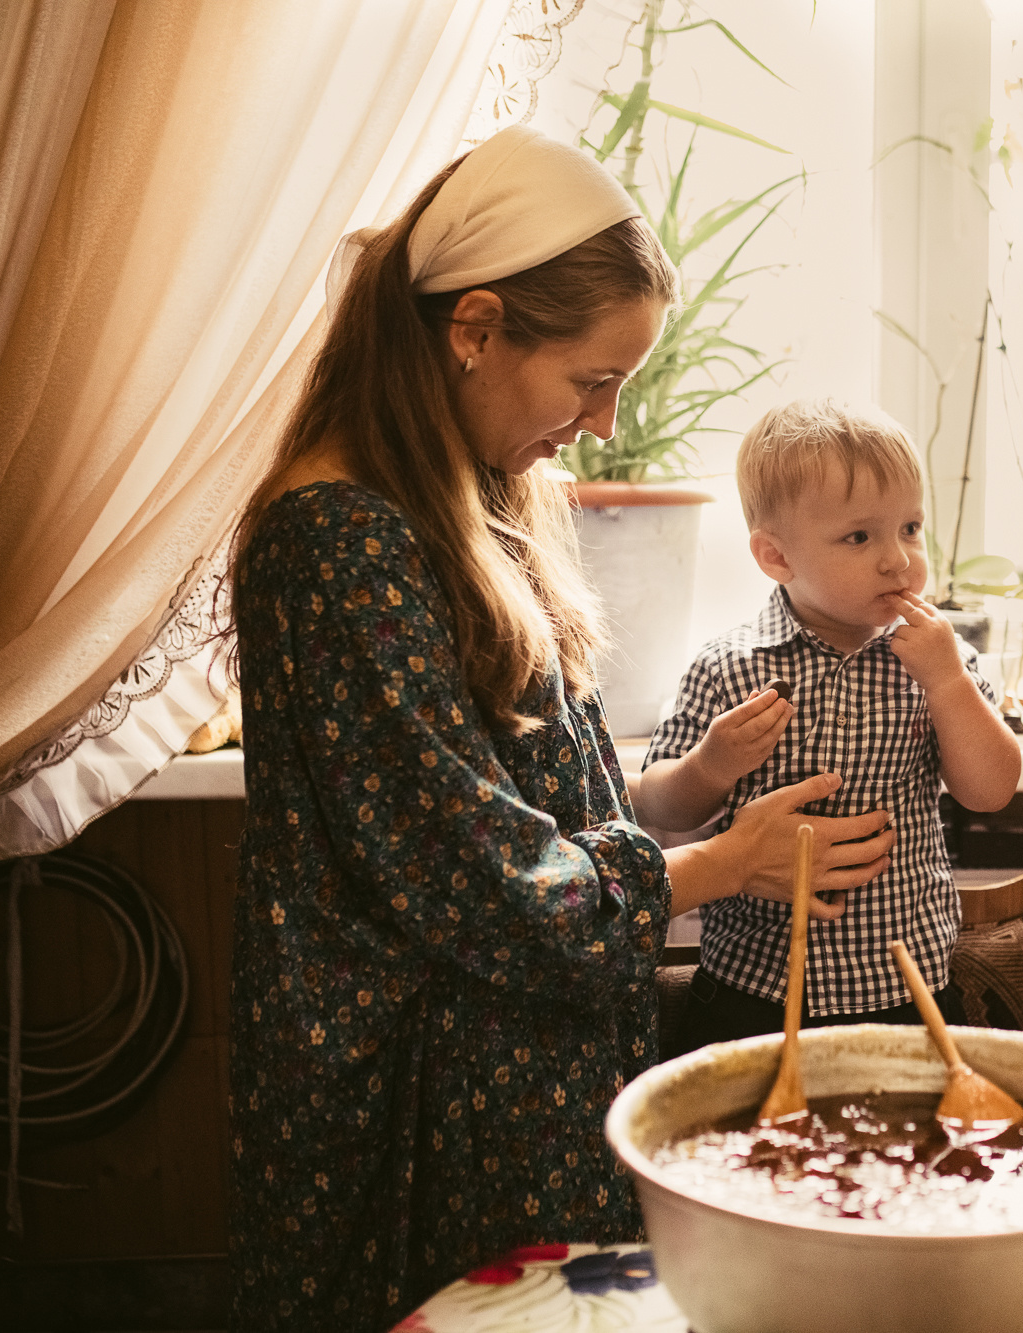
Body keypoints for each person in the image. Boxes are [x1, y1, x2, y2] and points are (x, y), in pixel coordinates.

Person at [224, 129, 896, 1332]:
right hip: (421, 1106)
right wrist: (729, 862)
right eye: (591, 379)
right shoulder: (338, 543)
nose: (602, 422)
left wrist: (696, 800)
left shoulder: (469, 498)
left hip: (513, 1083)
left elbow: (542, 811)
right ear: (473, 329)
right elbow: (485, 882)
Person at [638, 398, 1023, 1051]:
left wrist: (950, 683)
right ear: (775, 556)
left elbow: (991, 791)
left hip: (908, 990)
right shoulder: (730, 667)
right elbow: (658, 807)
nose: (898, 560)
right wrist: (710, 765)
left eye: (910, 527)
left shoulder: (938, 660)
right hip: (751, 993)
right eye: (859, 536)